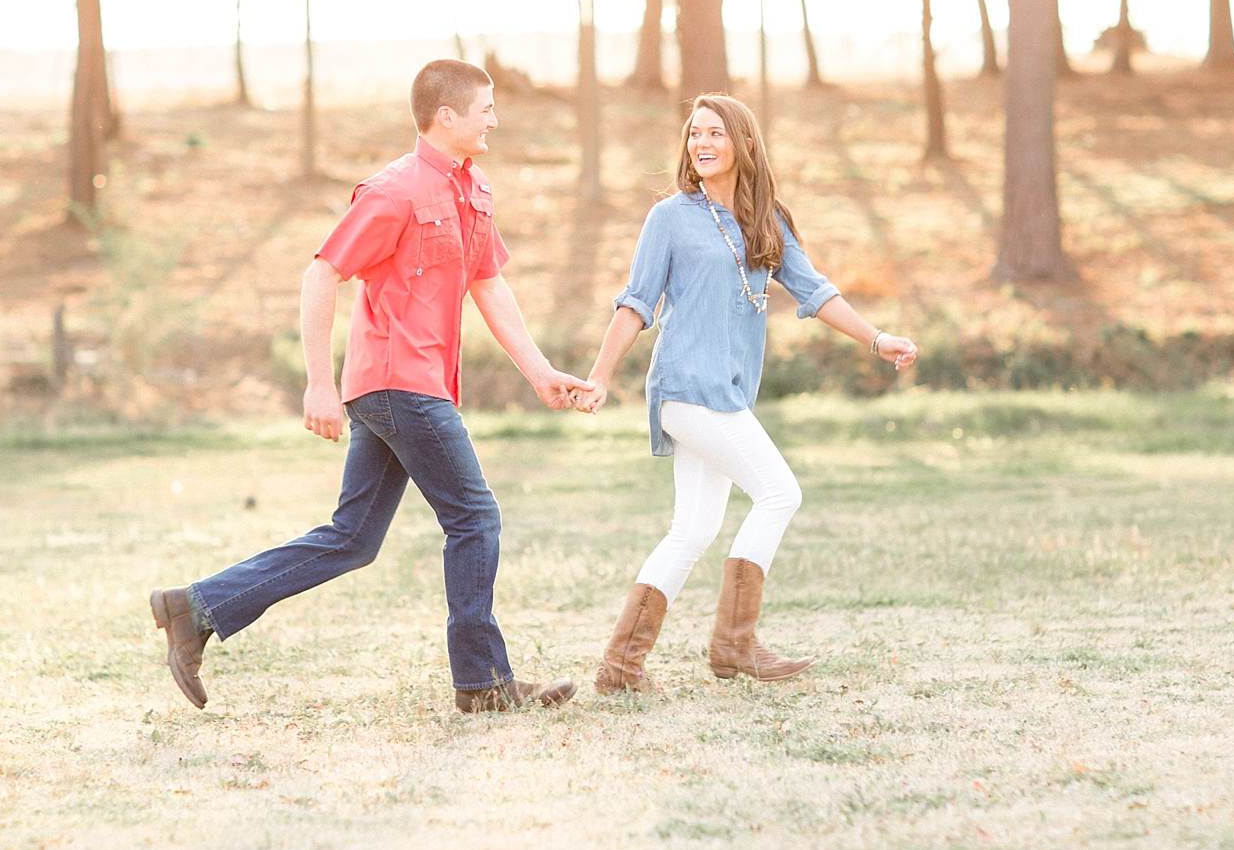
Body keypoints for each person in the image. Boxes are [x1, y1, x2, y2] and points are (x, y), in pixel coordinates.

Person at [151, 59, 589, 713]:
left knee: (353, 537)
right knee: (475, 520)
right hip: (394, 383)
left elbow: (488, 284)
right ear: (447, 116)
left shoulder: (475, 190)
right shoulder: (394, 191)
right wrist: (318, 386)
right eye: (486, 107)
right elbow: (321, 273)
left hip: (418, 385)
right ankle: (484, 683)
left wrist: (541, 372)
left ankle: (195, 608)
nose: (496, 117)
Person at [573, 94, 918, 692]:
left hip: (727, 390)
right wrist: (601, 375)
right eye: (693, 134)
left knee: (694, 528)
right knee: (780, 492)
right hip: (685, 386)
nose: (700, 144)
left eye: (715, 133)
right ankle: (735, 643)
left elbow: (815, 290)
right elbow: (636, 303)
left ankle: (620, 667)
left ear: (744, 144)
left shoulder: (767, 220)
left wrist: (877, 337)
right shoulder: (670, 218)